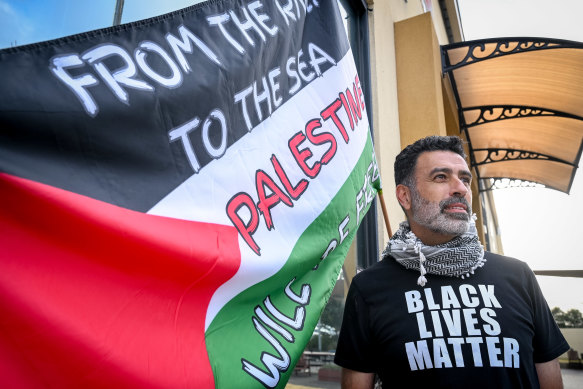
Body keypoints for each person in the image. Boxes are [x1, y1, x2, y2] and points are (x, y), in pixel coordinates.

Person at [334, 135, 569, 388]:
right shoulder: (369, 288)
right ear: (405, 196)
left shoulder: (518, 275)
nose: (460, 188)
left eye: (465, 179)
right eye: (441, 177)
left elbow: (549, 376)